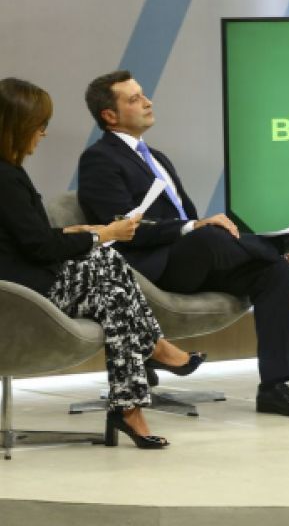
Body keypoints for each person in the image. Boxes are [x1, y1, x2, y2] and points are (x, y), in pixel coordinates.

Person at [78, 70, 289, 417]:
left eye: (144, 94)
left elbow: (188, 221)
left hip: (187, 262)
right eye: (135, 99)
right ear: (110, 115)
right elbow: (121, 228)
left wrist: (196, 228)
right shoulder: (99, 159)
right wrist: (193, 228)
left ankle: (275, 387)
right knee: (209, 234)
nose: (148, 102)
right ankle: (273, 242)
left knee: (271, 270)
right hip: (147, 270)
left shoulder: (157, 158)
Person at [0, 77, 204, 449]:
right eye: (40, 125)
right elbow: (37, 248)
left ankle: (132, 402)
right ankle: (150, 356)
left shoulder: (10, 172)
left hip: (29, 278)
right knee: (109, 270)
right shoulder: (5, 177)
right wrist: (103, 234)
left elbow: (26, 235)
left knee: (111, 287)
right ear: (17, 125)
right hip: (19, 292)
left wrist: (78, 231)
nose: (43, 133)